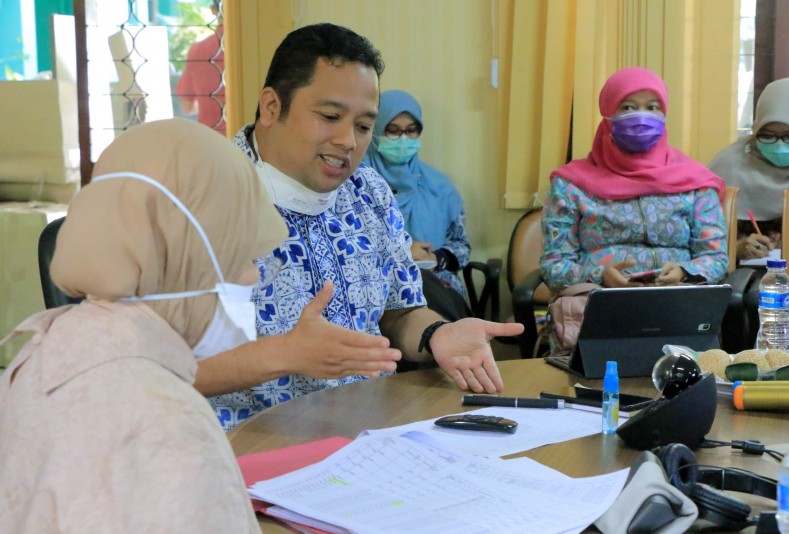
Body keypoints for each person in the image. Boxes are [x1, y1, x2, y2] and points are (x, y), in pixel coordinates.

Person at [199, 22, 523, 430]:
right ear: (271, 106)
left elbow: (399, 313)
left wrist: (438, 334)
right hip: (248, 441)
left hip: (367, 433)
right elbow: (156, 367)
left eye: (364, 126)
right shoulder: (202, 198)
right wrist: (284, 355)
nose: (348, 141)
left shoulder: (368, 191)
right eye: (330, 116)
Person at [0, 119, 281, 532]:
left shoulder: (41, 348)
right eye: (239, 255)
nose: (253, 276)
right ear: (185, 256)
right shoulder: (168, 421)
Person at [540, 67, 729, 291]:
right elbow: (555, 264)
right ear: (608, 114)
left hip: (677, 298)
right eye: (628, 107)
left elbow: (715, 257)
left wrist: (684, 272)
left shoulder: (696, 182)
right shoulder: (571, 185)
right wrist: (599, 276)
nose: (641, 117)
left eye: (652, 107)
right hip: (600, 299)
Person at [363, 89, 472, 321]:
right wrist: (401, 254)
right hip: (376, 289)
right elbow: (343, 248)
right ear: (375, 130)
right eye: (393, 131)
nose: (403, 139)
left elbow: (461, 246)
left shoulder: (440, 187)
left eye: (411, 130)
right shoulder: (355, 185)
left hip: (437, 286)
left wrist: (438, 258)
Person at [709, 77, 789, 261]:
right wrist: (735, 249)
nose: (780, 146)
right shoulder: (728, 167)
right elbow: (698, 243)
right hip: (745, 273)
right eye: (768, 135)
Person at [175, 0, 226, 135]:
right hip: (252, 139)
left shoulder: (198, 51)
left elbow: (188, 107)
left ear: (213, 10)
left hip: (212, 139)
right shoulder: (255, 46)